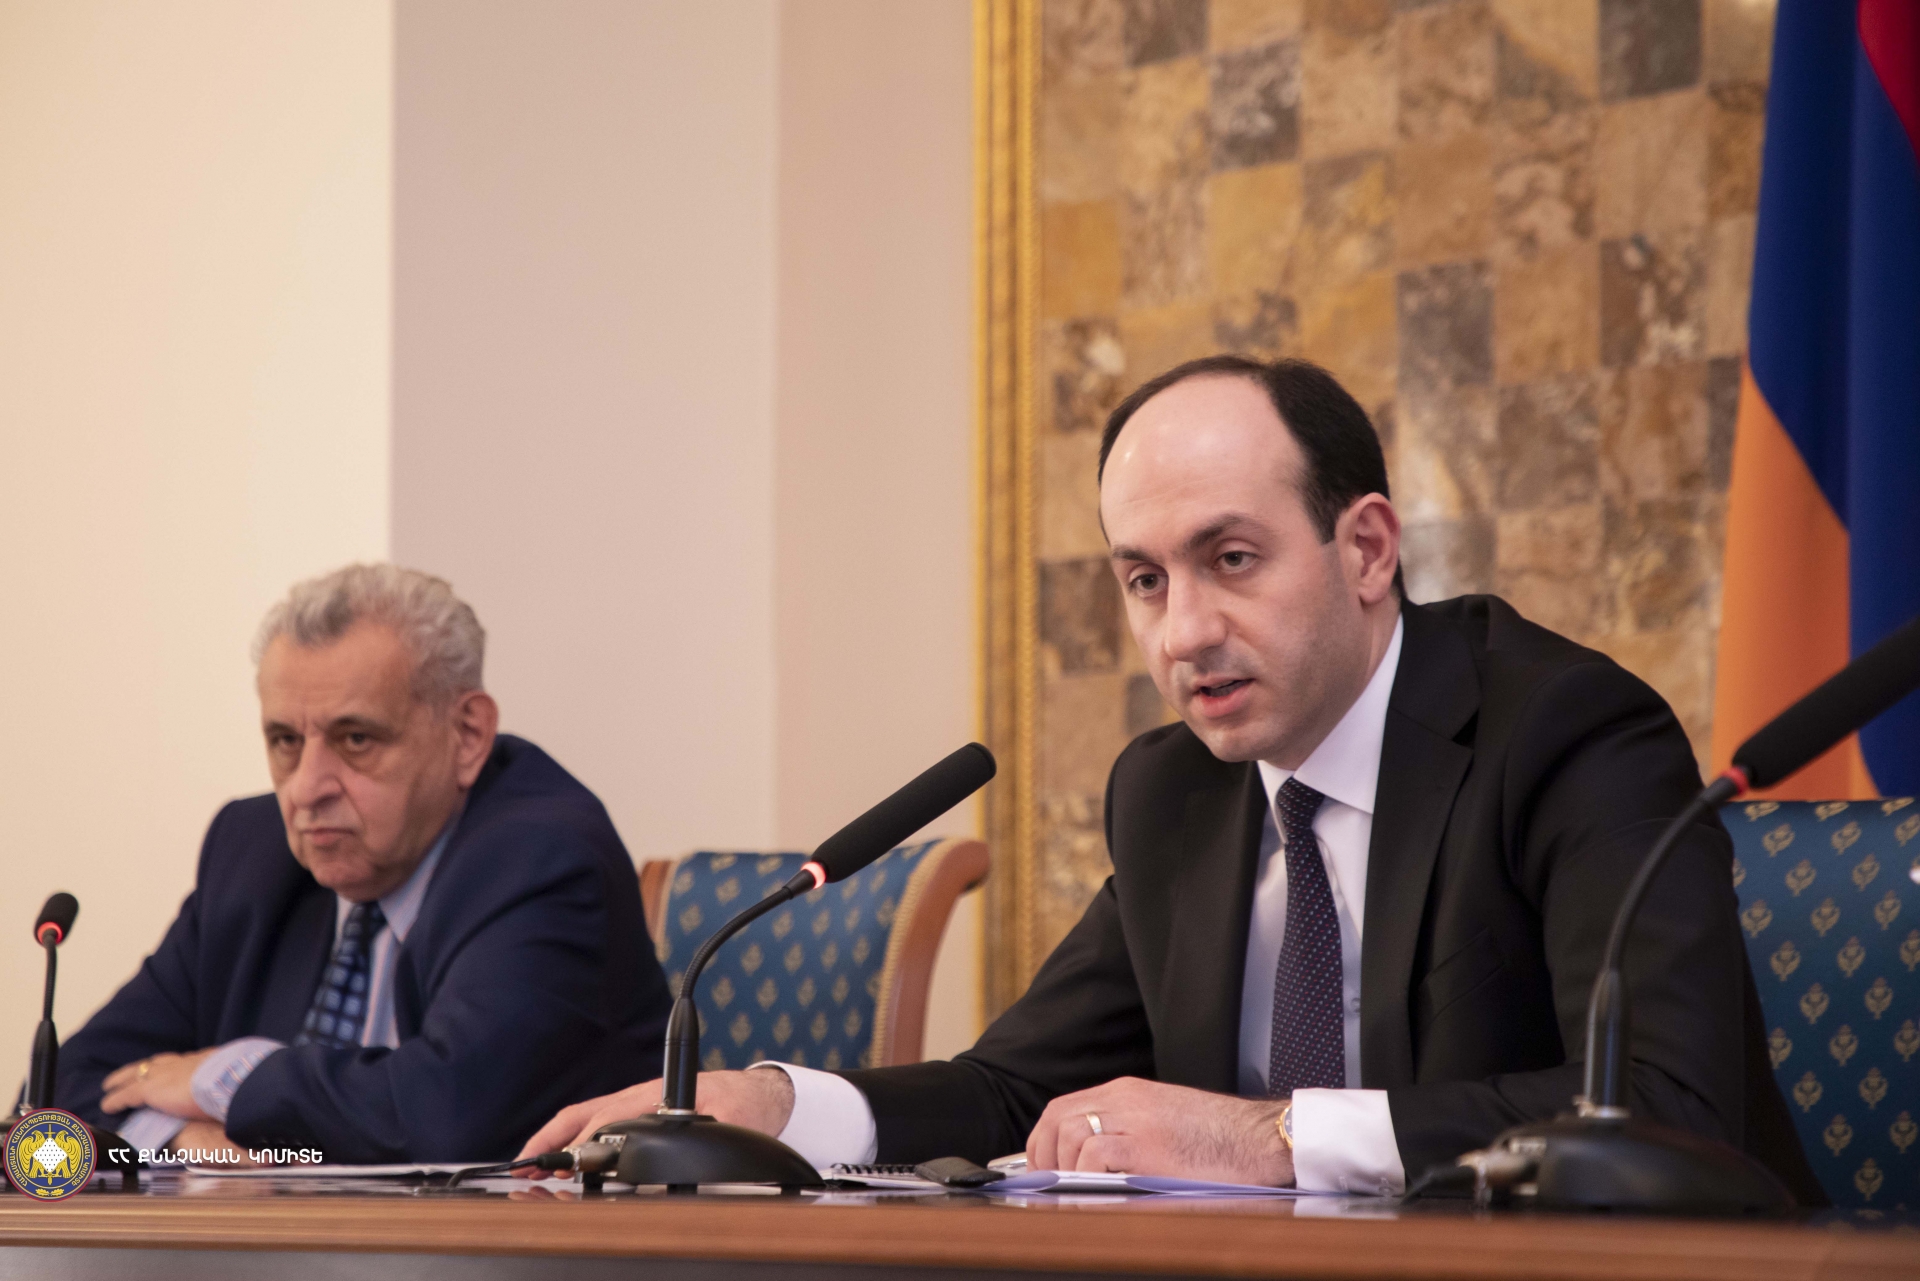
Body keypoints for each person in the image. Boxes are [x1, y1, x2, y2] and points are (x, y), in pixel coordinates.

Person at [518, 356, 1820, 1201]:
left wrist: (1266, 1137)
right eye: (1144, 579)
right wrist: (775, 1106)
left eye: (1231, 559)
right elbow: (1013, 1089)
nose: (1183, 631)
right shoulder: (1175, 793)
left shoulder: (1565, 733)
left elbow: (1664, 1107)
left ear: (1367, 549)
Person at [58, 564, 672, 1163]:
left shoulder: (542, 858)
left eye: (356, 740)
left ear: (467, 736)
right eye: (285, 741)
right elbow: (60, 1089)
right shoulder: (251, 852)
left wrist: (224, 1079)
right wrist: (183, 1141)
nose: (306, 789)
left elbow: (441, 1116)